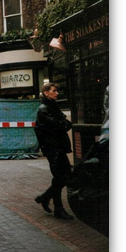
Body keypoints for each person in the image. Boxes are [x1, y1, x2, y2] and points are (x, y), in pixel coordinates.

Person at [34, 83, 74, 220]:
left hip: (58, 147)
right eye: (54, 91)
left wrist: (64, 123)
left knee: (64, 176)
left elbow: (65, 124)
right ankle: (58, 208)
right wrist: (64, 122)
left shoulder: (51, 107)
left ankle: (45, 198)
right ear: (46, 93)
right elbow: (62, 125)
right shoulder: (44, 109)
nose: (57, 93)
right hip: (53, 148)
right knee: (60, 177)